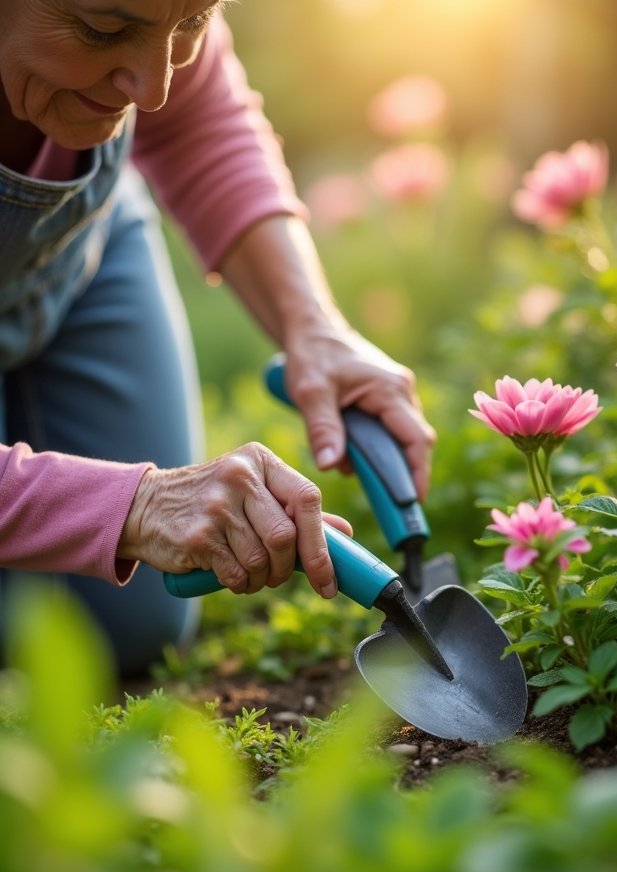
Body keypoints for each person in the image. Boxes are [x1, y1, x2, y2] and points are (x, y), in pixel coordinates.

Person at [0, 0, 435, 676]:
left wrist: (313, 327)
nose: (154, 89)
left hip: (72, 257)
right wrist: (134, 505)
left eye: (189, 25)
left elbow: (198, 123)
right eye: (105, 30)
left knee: (134, 628)